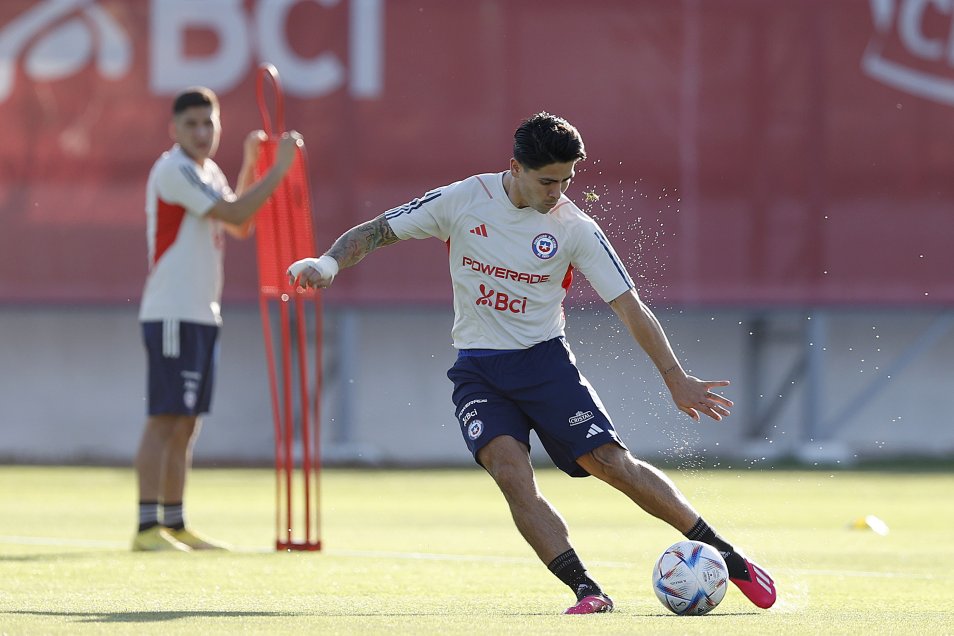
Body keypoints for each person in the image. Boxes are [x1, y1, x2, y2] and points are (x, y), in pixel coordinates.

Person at [287, 112, 777, 612]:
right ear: (515, 167)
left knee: (609, 464)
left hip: (545, 365)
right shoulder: (462, 199)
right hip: (478, 369)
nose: (558, 191)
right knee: (510, 472)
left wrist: (675, 378)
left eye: (568, 179)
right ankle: (588, 590)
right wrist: (326, 263)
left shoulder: (574, 228)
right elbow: (377, 230)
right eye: (548, 180)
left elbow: (630, 307)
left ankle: (730, 559)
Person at [133, 87, 302, 552]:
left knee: (187, 421)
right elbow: (235, 211)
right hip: (172, 311)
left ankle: (175, 521)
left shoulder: (206, 170)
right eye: (191, 124)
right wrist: (278, 169)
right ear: (174, 129)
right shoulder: (174, 169)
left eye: (209, 123)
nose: (202, 132)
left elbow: (238, 225)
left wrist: (251, 163)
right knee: (165, 417)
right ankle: (148, 527)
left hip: (201, 312)